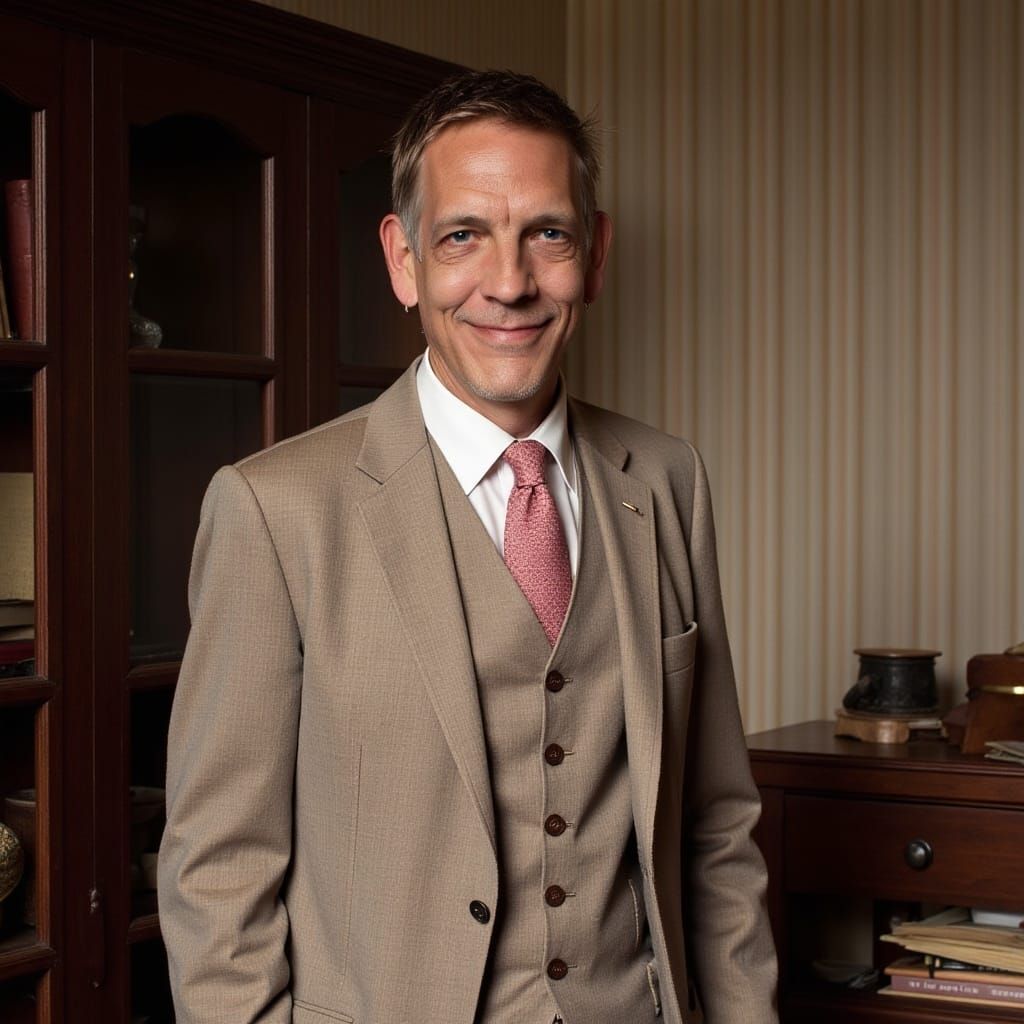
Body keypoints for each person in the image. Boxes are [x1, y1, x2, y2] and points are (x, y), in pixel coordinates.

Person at [159, 69, 778, 1024]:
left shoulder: (665, 480)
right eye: (463, 237)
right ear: (403, 261)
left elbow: (716, 825)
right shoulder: (274, 510)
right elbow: (218, 871)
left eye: (547, 234)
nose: (510, 283)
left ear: (594, 254)